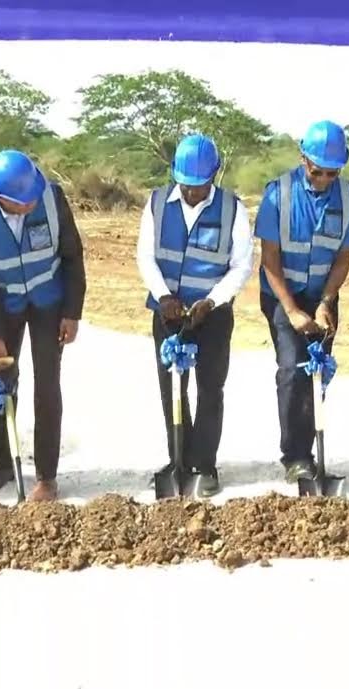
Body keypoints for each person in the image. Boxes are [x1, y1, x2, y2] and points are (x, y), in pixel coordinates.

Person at [0, 149, 87, 502]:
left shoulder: (52, 197)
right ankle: (3, 465)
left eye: (34, 198)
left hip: (49, 303)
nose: (32, 205)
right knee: (1, 384)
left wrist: (72, 313)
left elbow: (73, 255)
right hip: (5, 307)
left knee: (47, 386)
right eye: (23, 203)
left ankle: (47, 477)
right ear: (0, 196)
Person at [136, 133, 254, 497]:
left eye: (199, 187)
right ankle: (178, 460)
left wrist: (212, 301)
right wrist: (163, 296)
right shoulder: (156, 204)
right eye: (185, 186)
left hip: (212, 315)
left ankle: (205, 464)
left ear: (213, 177)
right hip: (168, 312)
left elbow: (241, 266)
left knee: (209, 389)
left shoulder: (233, 209)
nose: (191, 194)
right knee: (171, 387)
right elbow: (146, 257)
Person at [254, 120, 349, 484]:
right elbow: (269, 258)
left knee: (316, 371)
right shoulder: (277, 195)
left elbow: (344, 257)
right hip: (282, 294)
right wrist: (291, 310)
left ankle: (310, 449)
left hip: (322, 293)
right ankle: (296, 457)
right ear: (303, 160)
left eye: (332, 174)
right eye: (317, 172)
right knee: (292, 369)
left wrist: (326, 302)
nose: (324, 180)